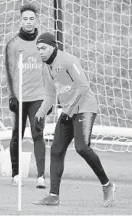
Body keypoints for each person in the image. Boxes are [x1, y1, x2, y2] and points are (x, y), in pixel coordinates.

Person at [33, 32, 116, 206]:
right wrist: (40, 113)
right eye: (38, 48)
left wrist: (69, 110)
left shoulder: (69, 60)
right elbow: (49, 95)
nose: (40, 51)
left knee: (82, 148)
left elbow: (83, 87)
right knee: (56, 150)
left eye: (44, 48)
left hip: (85, 108)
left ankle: (107, 185)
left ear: (53, 46)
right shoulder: (45, 67)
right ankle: (53, 196)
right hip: (68, 112)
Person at [5, 3, 48, 188]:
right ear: (20, 20)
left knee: (38, 134)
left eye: (32, 19)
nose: (28, 22)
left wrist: (50, 97)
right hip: (20, 98)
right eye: (25, 19)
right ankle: (16, 175)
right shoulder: (13, 44)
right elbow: (9, 71)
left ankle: (40, 177)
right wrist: (12, 96)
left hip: (38, 97)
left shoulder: (44, 42)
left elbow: (51, 70)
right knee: (17, 135)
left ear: (36, 20)